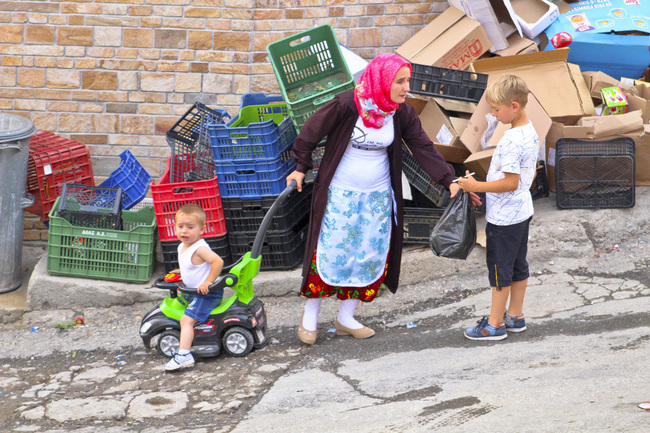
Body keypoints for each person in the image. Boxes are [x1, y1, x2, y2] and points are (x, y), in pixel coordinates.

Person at [285, 53, 479, 345]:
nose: (405, 87)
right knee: (330, 254)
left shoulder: (401, 112)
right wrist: (300, 168)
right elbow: (310, 133)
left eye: (407, 81)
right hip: (341, 194)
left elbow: (422, 147)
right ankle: (310, 316)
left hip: (377, 197)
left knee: (367, 255)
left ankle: (345, 318)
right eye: (399, 81)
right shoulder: (348, 104)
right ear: (382, 80)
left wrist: (448, 179)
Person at [457, 74, 538, 341]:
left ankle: (494, 324)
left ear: (514, 106)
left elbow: (510, 182)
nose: (493, 113)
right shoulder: (530, 131)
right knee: (517, 264)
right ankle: (515, 315)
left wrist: (476, 186)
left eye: (496, 109)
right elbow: (525, 178)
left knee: (499, 269)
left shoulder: (512, 140)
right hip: (521, 211)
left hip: (504, 218)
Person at [164, 204, 224, 371]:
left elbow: (218, 261)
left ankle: (183, 355)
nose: (184, 231)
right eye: (180, 226)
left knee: (186, 320)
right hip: (192, 292)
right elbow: (194, 266)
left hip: (207, 294)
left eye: (190, 227)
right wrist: (182, 271)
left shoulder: (200, 248)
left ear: (202, 229)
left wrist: (209, 281)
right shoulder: (182, 246)